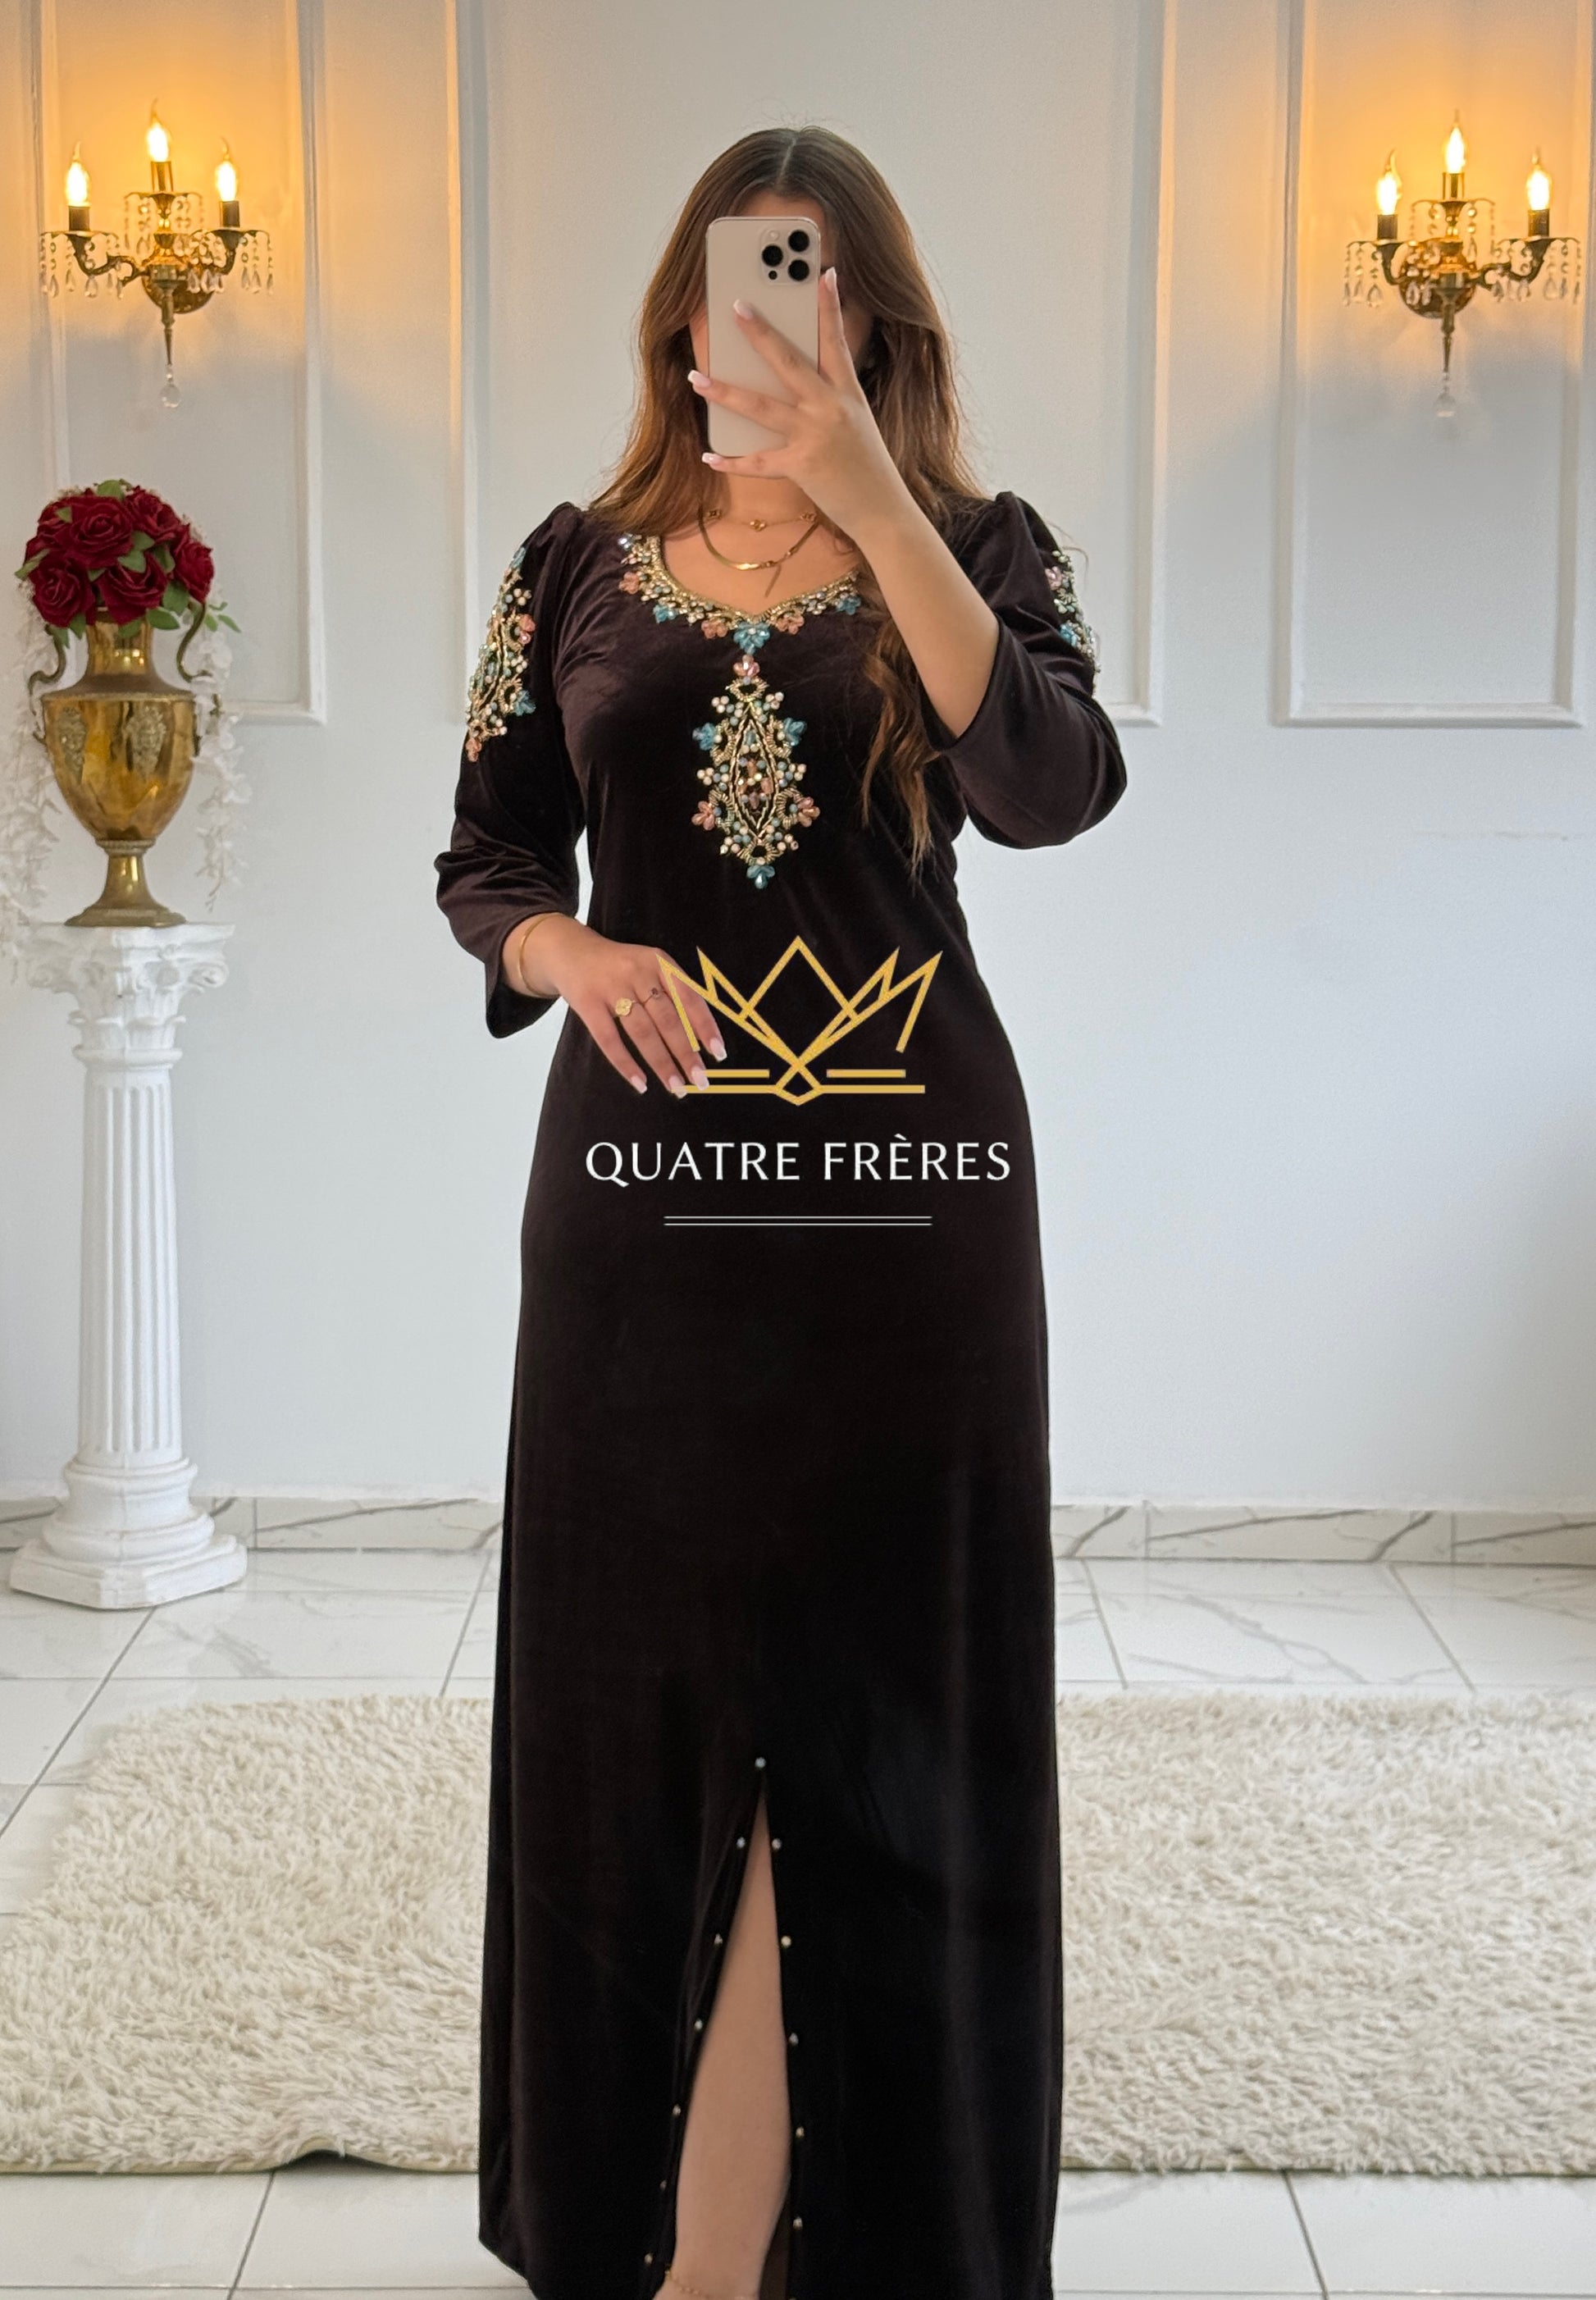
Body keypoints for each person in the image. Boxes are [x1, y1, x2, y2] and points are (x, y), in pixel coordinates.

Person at [434, 123, 1125, 2300]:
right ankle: (654, 2240)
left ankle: (847, 2246)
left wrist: (872, 495)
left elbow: (1050, 787)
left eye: (805, 284)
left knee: (883, 1702)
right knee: (636, 1704)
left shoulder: (980, 545)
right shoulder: (572, 564)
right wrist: (570, 952)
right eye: (736, 283)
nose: (763, 322)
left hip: (906, 1219)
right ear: (681, 317)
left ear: (867, 318)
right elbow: (486, 854)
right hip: (638, 1223)